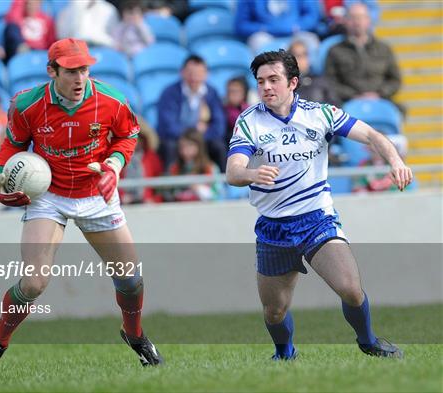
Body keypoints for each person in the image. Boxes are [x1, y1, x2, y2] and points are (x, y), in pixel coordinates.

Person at [0, 38, 163, 379]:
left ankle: (134, 334)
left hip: (97, 191)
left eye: (84, 70)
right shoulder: (28, 104)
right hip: (49, 195)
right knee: (33, 283)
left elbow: (128, 136)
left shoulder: (112, 100)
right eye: (71, 71)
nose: (79, 79)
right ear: (52, 71)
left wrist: (114, 167)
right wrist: (0, 177)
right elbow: (13, 143)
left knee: (130, 280)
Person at [225, 49, 412, 360]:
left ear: (293, 82)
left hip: (316, 219)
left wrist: (395, 160)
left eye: (274, 80)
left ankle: (368, 341)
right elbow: (233, 172)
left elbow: (372, 135)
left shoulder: (320, 114)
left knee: (351, 289)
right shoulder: (249, 121)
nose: (266, 87)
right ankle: (284, 353)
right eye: (260, 82)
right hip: (274, 226)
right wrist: (252, 173)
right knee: (274, 311)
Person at [157, 55, 226, 172]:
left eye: (198, 73)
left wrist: (198, 139)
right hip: (178, 139)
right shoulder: (170, 93)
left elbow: (219, 126)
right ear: (182, 73)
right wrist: (193, 135)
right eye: (190, 73)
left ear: (206, 74)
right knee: (169, 147)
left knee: (219, 147)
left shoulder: (211, 93)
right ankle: (169, 186)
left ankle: (225, 185)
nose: (194, 78)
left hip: (204, 138)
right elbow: (168, 126)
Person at [324, 2, 401, 105]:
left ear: (368, 20)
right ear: (345, 21)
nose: (357, 22)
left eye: (361, 17)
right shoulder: (335, 51)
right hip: (348, 104)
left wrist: (379, 94)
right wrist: (354, 96)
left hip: (381, 101)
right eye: (353, 18)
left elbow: (395, 80)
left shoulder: (383, 49)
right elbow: (330, 82)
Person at [234, 0, 320, 53]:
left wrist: (297, 26)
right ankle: (265, 78)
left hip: (294, 33)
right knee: (258, 41)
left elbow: (312, 17)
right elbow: (241, 25)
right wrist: (263, 28)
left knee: (310, 40)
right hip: (266, 35)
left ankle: (309, 79)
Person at [165, 128, 222, 202]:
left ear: (199, 147)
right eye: (182, 147)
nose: (185, 151)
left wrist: (198, 188)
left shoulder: (210, 168)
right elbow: (169, 194)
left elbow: (217, 195)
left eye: (190, 146)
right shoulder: (175, 168)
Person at [223, 76, 250, 145]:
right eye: (231, 91)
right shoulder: (222, 110)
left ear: (244, 93)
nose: (233, 94)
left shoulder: (249, 109)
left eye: (237, 91)